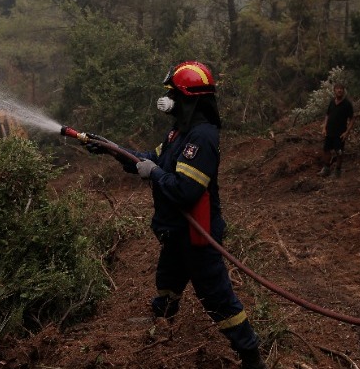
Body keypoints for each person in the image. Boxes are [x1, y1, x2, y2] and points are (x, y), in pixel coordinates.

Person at [82, 61, 266, 369]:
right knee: (168, 279)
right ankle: (162, 324)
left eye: (174, 95)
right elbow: (149, 159)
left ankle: (251, 355)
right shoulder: (178, 133)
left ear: (190, 99)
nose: (169, 102)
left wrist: (154, 174)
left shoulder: (202, 138)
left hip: (198, 236)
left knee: (217, 297)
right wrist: (112, 149)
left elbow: (185, 190)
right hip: (176, 232)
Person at [317, 82, 355, 178]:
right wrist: (324, 128)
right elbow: (327, 115)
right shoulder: (332, 101)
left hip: (340, 133)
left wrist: (347, 132)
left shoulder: (347, 104)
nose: (339, 90)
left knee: (339, 152)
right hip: (329, 131)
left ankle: (337, 171)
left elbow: (352, 119)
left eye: (341, 88)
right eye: (337, 88)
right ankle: (326, 169)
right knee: (326, 150)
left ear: (343, 91)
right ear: (334, 91)